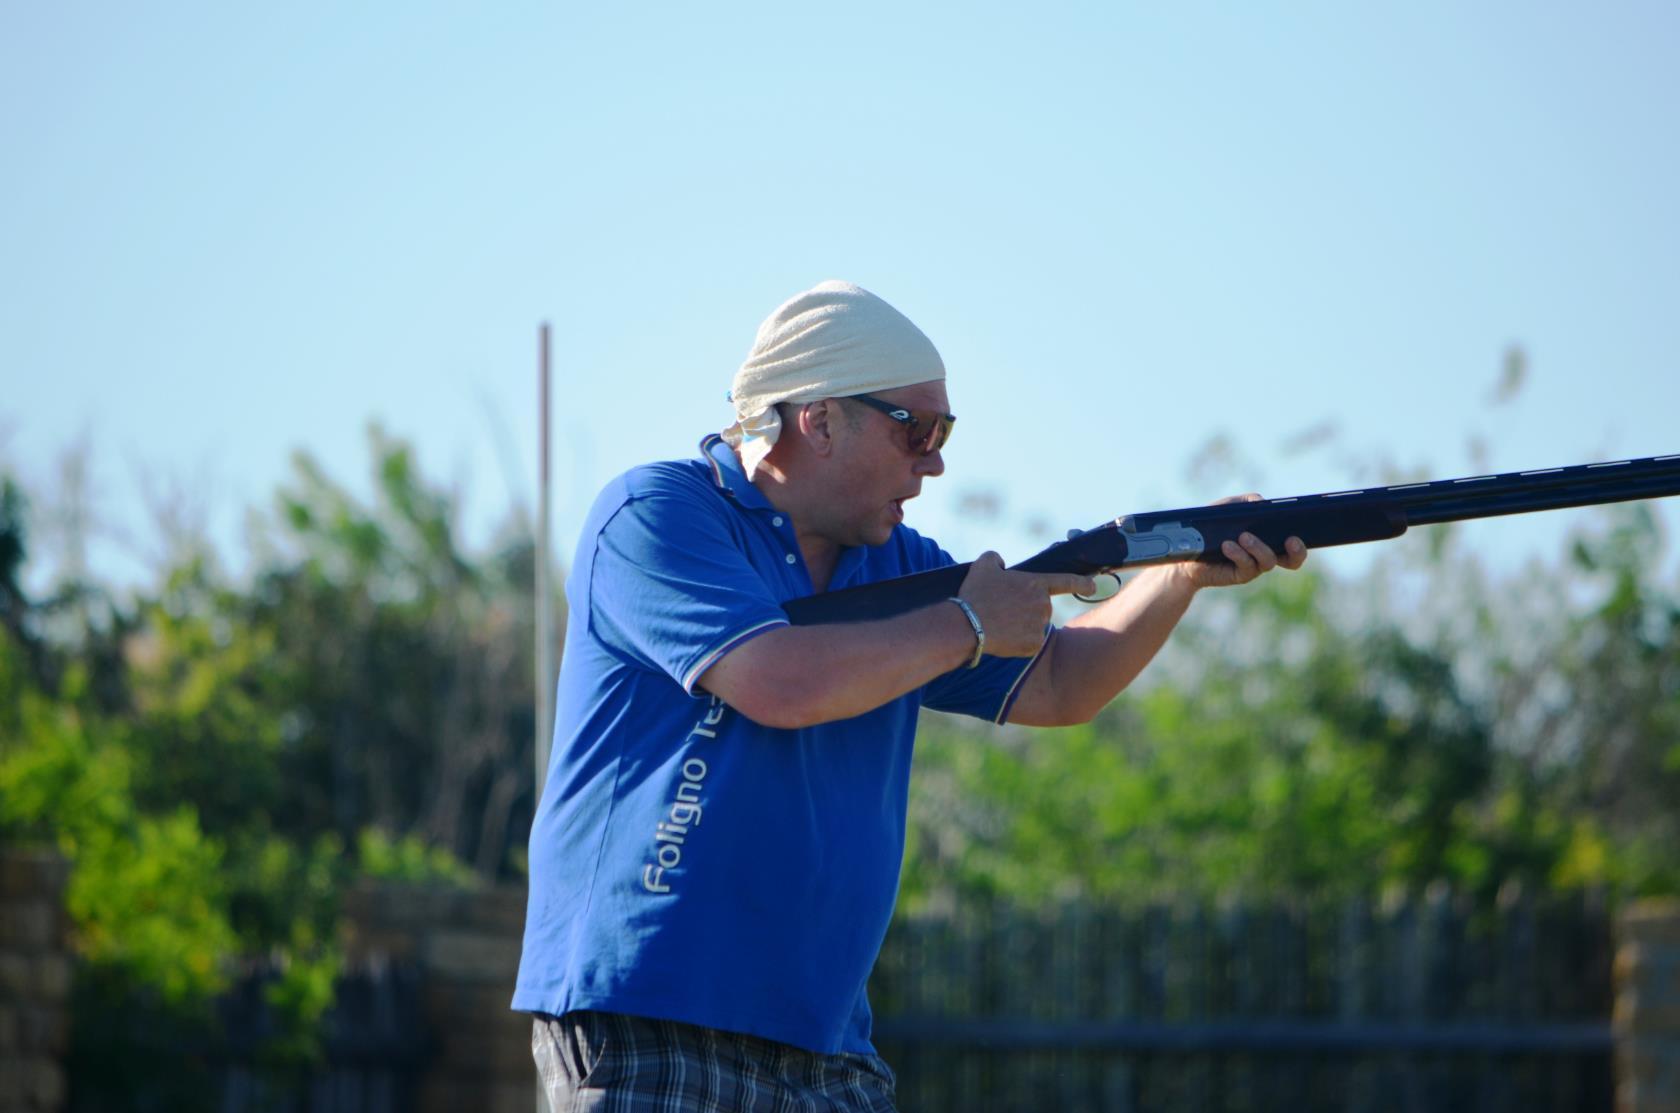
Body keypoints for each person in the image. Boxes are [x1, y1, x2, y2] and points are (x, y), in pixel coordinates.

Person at [513, 280, 1307, 1111]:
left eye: (942, 432)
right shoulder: (657, 512)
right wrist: (968, 621)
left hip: (826, 1042)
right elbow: (778, 680)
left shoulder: (898, 563)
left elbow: (1063, 682)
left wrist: (1181, 574)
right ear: (821, 419)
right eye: (917, 429)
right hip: (649, 1014)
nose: (935, 460)